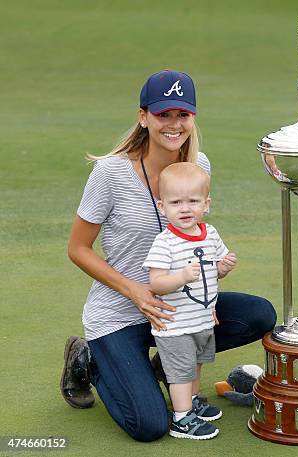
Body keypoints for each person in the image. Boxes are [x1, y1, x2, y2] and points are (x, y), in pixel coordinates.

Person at [61, 70, 276, 442]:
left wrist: (210, 287)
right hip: (120, 313)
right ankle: (90, 359)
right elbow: (77, 249)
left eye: (183, 115)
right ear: (144, 117)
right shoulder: (110, 172)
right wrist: (135, 291)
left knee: (260, 314)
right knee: (150, 426)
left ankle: (169, 366)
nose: (174, 125)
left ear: (193, 117)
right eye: (163, 115)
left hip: (180, 309)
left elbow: (191, 241)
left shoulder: (198, 167)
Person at [143, 162, 234, 439]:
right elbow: (156, 283)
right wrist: (182, 276)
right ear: (162, 206)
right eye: (176, 202)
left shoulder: (211, 234)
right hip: (175, 324)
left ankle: (192, 402)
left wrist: (223, 268)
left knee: (196, 365)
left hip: (202, 319)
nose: (185, 208)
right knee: (181, 373)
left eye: (193, 201)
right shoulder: (165, 242)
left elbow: (211, 274)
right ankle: (182, 419)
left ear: (206, 204)